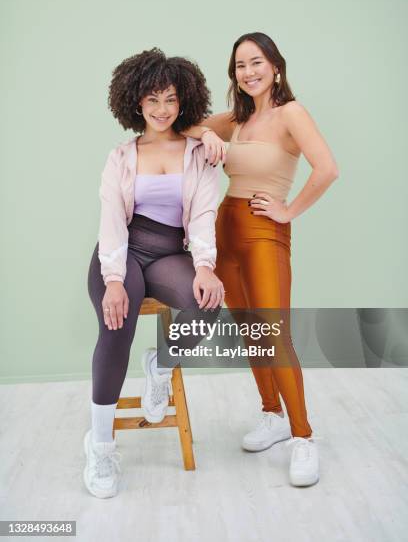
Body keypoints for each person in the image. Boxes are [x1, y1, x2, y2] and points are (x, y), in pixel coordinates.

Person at [184, 32, 339, 486]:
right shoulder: (237, 118)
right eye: (239, 66)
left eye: (256, 62)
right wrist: (210, 135)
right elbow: (183, 125)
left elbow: (327, 168)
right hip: (224, 231)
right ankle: (271, 415)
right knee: (250, 331)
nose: (248, 72)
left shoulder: (291, 113)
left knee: (274, 333)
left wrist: (288, 210)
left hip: (264, 230)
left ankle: (303, 438)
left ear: (275, 66)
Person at [84, 48, 224, 498]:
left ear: (183, 101)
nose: (162, 110)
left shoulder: (198, 152)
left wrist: (205, 267)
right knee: (116, 326)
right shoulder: (121, 156)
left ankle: (160, 364)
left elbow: (202, 212)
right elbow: (111, 221)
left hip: (169, 252)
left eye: (170, 99)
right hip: (122, 249)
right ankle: (101, 446)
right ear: (136, 103)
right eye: (152, 100)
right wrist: (111, 280)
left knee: (207, 304)